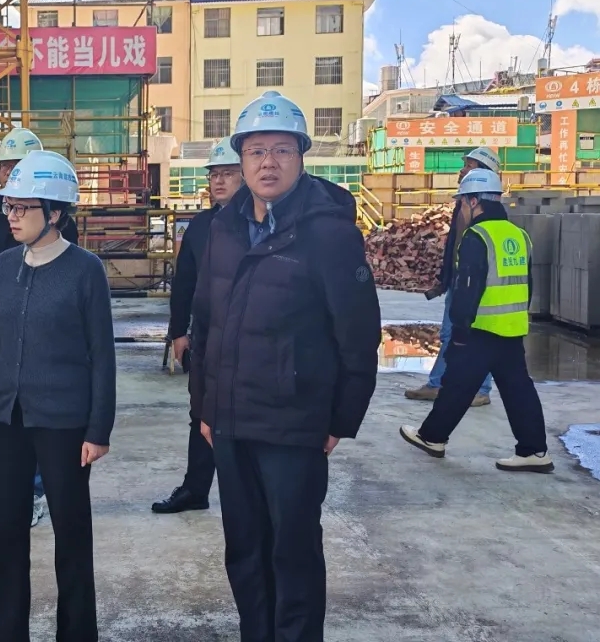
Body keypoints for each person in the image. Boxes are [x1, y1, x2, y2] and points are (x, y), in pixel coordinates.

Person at [188, 90, 382, 641]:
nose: (267, 163)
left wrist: (339, 420)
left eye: (281, 150)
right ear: (241, 159)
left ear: (301, 157)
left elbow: (358, 336)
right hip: (230, 421)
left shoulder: (329, 233)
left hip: (293, 423)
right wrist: (205, 408)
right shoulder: (222, 230)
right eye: (255, 151)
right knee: (245, 550)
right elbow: (206, 323)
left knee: (292, 551)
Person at [0, 149, 116, 642]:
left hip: (65, 424)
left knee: (71, 535)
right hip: (5, 420)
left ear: (54, 214)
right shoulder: (4, 265)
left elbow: (102, 354)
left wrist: (98, 429)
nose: (10, 216)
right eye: (8, 206)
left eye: (21, 208)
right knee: (2, 535)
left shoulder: (85, 270)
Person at [399, 168, 553, 473]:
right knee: (517, 390)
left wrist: (459, 331)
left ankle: (432, 437)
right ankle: (534, 451)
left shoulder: (477, 236)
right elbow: (528, 284)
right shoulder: (518, 235)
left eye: (462, 203)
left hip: (481, 328)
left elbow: (468, 288)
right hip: (511, 328)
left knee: (457, 383)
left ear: (473, 201)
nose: (461, 210)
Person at [0, 127, 79, 525]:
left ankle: (35, 490)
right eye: (5, 166)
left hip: (42, 333)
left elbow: (63, 269)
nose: (10, 172)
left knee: (35, 411)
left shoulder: (55, 215)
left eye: (19, 165)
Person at [151, 138, 242, 515]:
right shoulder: (201, 226)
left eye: (227, 174)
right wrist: (178, 332)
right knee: (201, 413)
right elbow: (184, 282)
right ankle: (195, 489)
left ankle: (248, 495)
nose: (218, 181)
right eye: (214, 175)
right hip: (206, 338)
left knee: (244, 418)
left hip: (249, 340)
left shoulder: (260, 223)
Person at [405, 147, 502, 407]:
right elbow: (455, 246)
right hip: (460, 278)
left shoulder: (487, 211)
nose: (462, 170)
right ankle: (440, 384)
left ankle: (476, 388)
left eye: (469, 166)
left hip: (475, 281)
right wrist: (446, 277)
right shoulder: (464, 203)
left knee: (477, 336)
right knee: (450, 333)